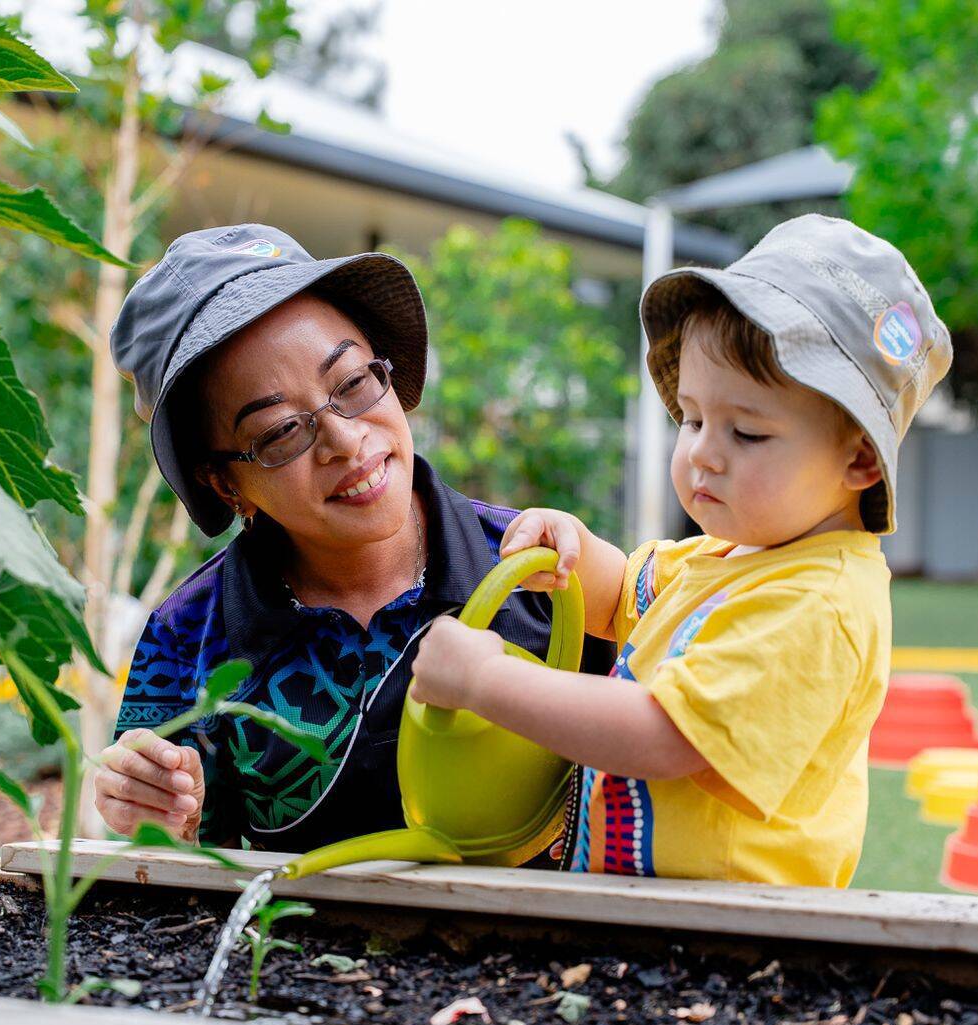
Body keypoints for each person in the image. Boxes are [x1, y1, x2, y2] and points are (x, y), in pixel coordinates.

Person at [409, 215, 952, 886]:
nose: (702, 453)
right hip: (655, 918)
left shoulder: (821, 602)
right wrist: (570, 545)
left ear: (860, 460)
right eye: (692, 418)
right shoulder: (727, 556)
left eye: (746, 433)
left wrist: (486, 683)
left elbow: (665, 737)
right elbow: (620, 596)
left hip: (728, 929)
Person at [93, 224, 608, 852]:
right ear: (225, 483)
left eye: (353, 384)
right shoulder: (186, 636)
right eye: (280, 431)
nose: (345, 439)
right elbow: (173, 859)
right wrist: (159, 816)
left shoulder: (546, 573)